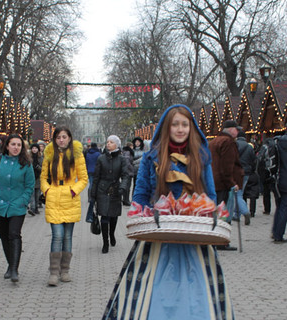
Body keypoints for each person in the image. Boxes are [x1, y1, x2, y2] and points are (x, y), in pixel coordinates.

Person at [103, 105, 234, 319]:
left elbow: (210, 196)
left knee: (198, 296)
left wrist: (204, 213)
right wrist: (141, 217)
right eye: (175, 124)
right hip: (157, 237)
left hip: (195, 237)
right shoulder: (150, 158)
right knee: (152, 294)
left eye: (185, 124)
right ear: (167, 127)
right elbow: (141, 195)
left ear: (191, 128)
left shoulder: (202, 158)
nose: (180, 129)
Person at [40, 127, 88, 286]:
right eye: (58, 137)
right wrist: (47, 191)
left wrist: (73, 191)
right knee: (57, 235)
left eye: (64, 137)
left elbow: (83, 179)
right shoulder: (49, 154)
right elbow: (43, 178)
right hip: (54, 198)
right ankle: (53, 272)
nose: (61, 140)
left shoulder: (77, 155)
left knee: (67, 237)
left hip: (70, 198)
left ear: (69, 138)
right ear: (54, 139)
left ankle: (65, 270)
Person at [0, 134, 35, 282]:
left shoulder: (26, 163)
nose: (16, 148)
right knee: (4, 236)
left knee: (14, 234)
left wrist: (23, 201)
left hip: (17, 206)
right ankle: (10, 264)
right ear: (7, 146)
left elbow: (29, 185)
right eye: (13, 144)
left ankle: (14, 269)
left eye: (19, 145)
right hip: (0, 205)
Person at [209, 119, 243, 250]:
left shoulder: (214, 141)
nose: (238, 131)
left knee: (217, 212)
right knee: (224, 212)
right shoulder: (228, 142)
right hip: (223, 183)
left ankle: (215, 239)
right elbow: (227, 166)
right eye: (236, 129)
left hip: (214, 182)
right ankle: (221, 240)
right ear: (230, 130)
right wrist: (232, 183)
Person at [90, 135, 129, 253]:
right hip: (102, 190)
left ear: (116, 145)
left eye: (111, 142)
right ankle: (105, 242)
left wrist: (122, 188)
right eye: (107, 142)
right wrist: (93, 193)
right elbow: (96, 177)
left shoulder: (122, 159)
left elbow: (125, 176)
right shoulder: (101, 158)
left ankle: (112, 234)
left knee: (113, 216)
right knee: (104, 216)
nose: (108, 144)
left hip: (116, 190)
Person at [235, 129, 255, 225]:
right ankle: (237, 214)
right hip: (246, 173)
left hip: (236, 172)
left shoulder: (234, 145)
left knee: (237, 194)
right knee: (240, 193)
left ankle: (245, 212)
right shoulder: (249, 147)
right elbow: (253, 160)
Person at [258, 137, 279, 215]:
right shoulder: (276, 147)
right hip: (274, 172)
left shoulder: (264, 147)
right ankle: (279, 208)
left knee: (266, 192)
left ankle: (267, 209)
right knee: (276, 192)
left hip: (265, 172)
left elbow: (259, 159)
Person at [84, 142, 102, 222]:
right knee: (95, 185)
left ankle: (89, 197)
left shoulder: (88, 153)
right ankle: (93, 196)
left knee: (90, 184)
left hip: (89, 171)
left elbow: (86, 162)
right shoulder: (98, 154)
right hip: (96, 171)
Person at [28, 143, 42, 215]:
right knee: (32, 194)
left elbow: (43, 169)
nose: (34, 150)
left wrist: (37, 167)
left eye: (36, 148)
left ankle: (36, 208)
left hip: (38, 178)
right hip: (30, 178)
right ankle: (32, 208)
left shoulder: (41, 157)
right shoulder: (29, 157)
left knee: (37, 195)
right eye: (33, 148)